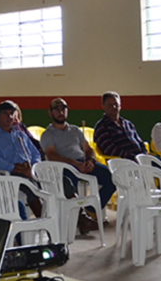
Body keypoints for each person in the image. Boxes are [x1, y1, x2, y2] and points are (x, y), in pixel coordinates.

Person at [41, 97, 112, 233]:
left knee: (111, 177)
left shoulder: (75, 130)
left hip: (83, 163)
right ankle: (81, 218)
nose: (61, 112)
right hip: (64, 167)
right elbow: (52, 155)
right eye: (57, 110)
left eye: (63, 109)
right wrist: (75, 164)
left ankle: (91, 210)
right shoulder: (47, 134)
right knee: (68, 184)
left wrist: (90, 161)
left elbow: (88, 149)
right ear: (50, 113)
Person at [0, 100, 45, 216]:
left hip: (30, 170)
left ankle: (78, 218)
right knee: (29, 186)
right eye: (5, 113)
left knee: (59, 181)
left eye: (12, 113)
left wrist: (33, 168)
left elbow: (35, 154)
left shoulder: (21, 135)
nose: (9, 117)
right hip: (10, 175)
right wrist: (19, 169)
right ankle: (44, 220)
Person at [94, 92, 146, 160]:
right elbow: (109, 150)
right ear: (103, 107)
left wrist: (145, 155)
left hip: (141, 159)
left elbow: (140, 142)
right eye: (110, 105)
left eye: (116, 104)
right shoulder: (101, 127)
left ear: (120, 106)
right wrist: (132, 157)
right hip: (121, 162)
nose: (114, 107)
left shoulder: (128, 124)